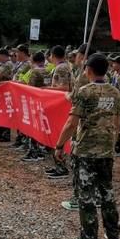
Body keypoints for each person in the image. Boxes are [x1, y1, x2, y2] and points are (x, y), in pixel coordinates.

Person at [54, 53, 120, 239]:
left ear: (89, 70)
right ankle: (113, 234)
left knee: (86, 196)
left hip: (86, 151)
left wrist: (59, 145)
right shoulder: (115, 92)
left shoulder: (85, 92)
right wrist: (111, 142)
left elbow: (72, 122)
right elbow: (116, 122)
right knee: (107, 192)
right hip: (106, 150)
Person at [61, 43, 91, 211]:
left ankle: (78, 199)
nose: (76, 59)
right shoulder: (102, 78)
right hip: (97, 128)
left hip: (82, 124)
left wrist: (66, 95)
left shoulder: (84, 76)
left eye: (78, 56)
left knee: (79, 163)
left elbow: (74, 98)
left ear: (83, 56)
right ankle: (94, 197)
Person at [45, 45, 74, 180]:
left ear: (53, 55)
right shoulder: (65, 66)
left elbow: (64, 88)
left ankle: (61, 167)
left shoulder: (61, 68)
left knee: (59, 134)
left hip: (61, 105)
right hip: (61, 104)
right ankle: (58, 164)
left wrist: (44, 89)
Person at [21, 51, 48, 162]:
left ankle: (33, 152)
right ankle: (41, 150)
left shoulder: (34, 71)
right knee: (41, 127)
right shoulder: (48, 71)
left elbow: (30, 88)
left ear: (33, 60)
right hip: (45, 101)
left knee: (33, 127)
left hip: (34, 102)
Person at [10, 45, 32, 150]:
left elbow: (23, 80)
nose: (15, 54)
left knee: (24, 118)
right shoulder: (20, 63)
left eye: (17, 52)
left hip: (23, 95)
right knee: (18, 117)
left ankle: (24, 141)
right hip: (17, 93)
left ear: (23, 53)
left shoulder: (28, 64)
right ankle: (20, 139)